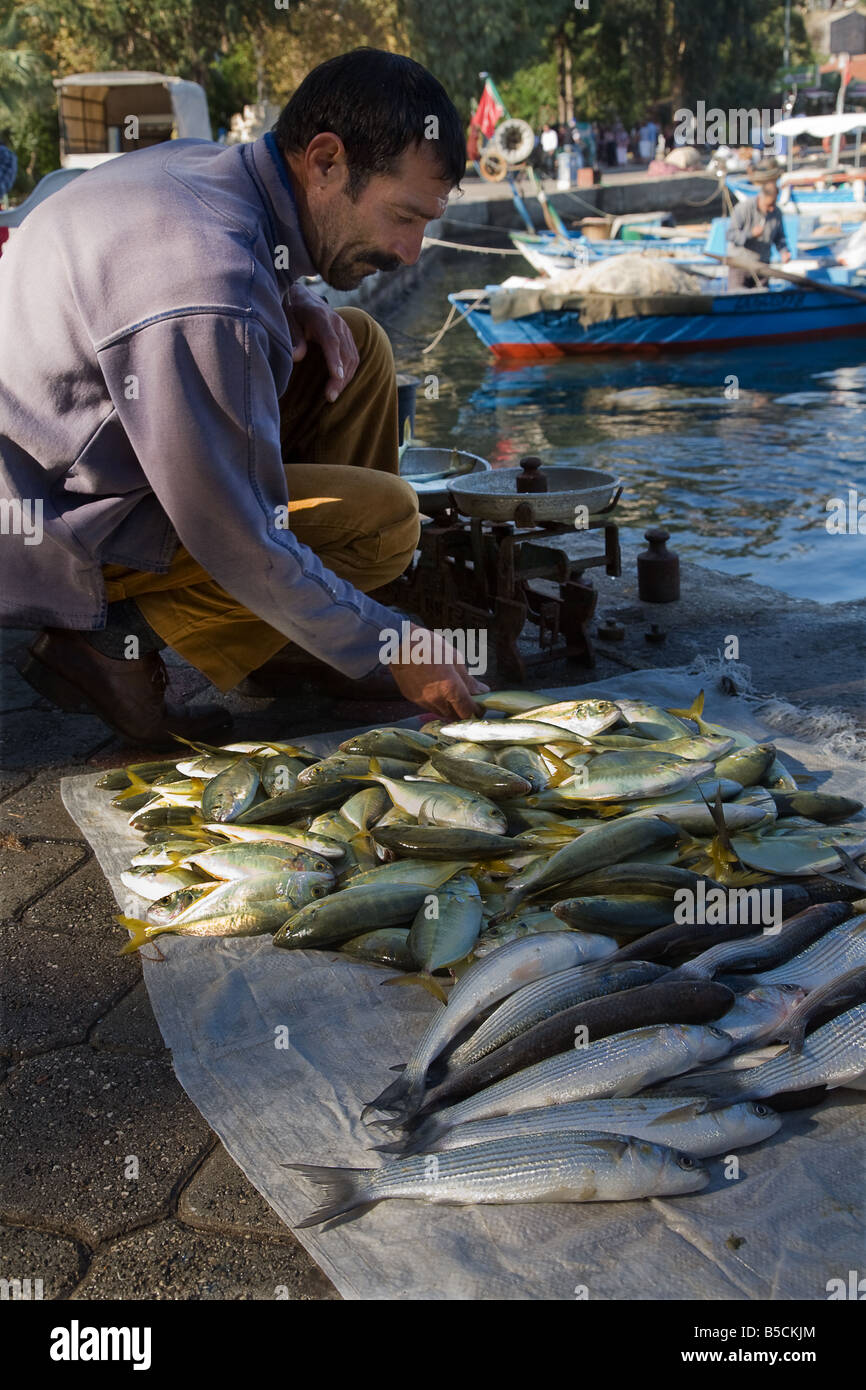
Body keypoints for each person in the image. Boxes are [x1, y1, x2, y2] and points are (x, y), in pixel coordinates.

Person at [0, 48, 487, 745]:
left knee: (359, 343)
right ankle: (110, 647)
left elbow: (238, 277)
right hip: (44, 522)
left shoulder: (212, 173)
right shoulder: (205, 286)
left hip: (85, 449)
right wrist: (394, 640)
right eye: (404, 217)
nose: (412, 251)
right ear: (325, 161)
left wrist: (296, 294)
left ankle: (297, 641)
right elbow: (230, 531)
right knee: (384, 524)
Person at [725, 177, 792, 289]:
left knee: (763, 297)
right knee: (738, 296)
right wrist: (750, 234)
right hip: (741, 264)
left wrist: (784, 251)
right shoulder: (743, 209)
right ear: (761, 197)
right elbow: (730, 234)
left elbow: (780, 237)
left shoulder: (776, 212)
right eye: (769, 205)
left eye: (774, 204)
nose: (771, 209)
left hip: (762, 265)